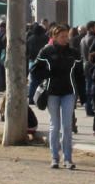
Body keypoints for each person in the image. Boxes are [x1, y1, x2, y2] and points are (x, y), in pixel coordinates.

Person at [32, 24, 84, 169]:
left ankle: (68, 159)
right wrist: (48, 75)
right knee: (54, 126)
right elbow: (35, 70)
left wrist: (83, 96)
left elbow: (80, 74)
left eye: (66, 36)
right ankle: (55, 158)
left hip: (69, 92)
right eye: (62, 36)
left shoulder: (73, 53)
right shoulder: (46, 51)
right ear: (54, 37)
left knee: (67, 126)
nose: (65, 39)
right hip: (52, 93)